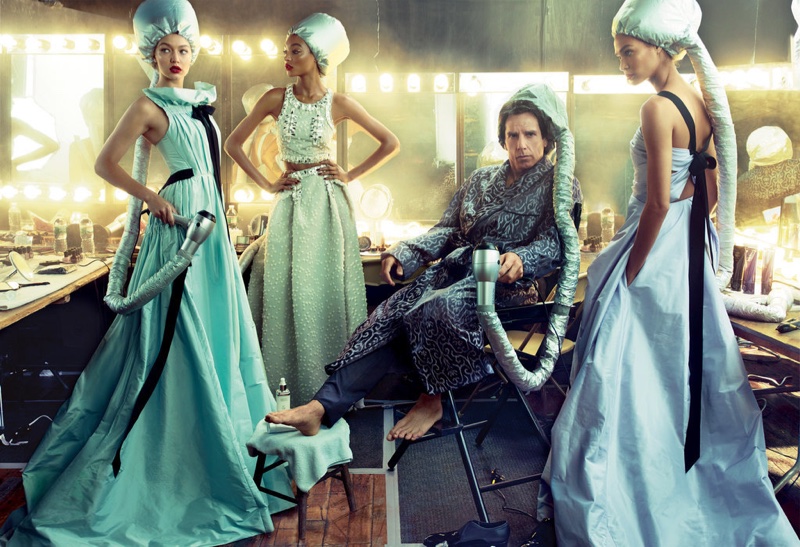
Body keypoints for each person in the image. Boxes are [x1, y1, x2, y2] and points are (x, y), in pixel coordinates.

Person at [0, 1, 293, 544]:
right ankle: (169, 453)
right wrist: (151, 197)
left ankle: (225, 438)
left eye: (183, 49)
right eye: (166, 50)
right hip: (178, 224)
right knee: (176, 333)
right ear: (150, 53)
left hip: (209, 226)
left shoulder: (200, 100)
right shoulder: (147, 104)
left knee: (217, 324)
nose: (176, 58)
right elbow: (105, 163)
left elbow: (212, 167)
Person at [528, 0, 800, 545]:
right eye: (619, 54)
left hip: (656, 245)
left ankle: (634, 477)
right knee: (675, 364)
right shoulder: (700, 102)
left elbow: (653, 204)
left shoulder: (657, 110)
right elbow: (713, 189)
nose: (622, 63)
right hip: (691, 243)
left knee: (627, 364)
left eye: (628, 52)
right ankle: (680, 464)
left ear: (659, 48)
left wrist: (628, 270)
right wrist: (690, 223)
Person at [266, 84, 582, 443]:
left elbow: (555, 244)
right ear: (503, 139)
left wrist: (521, 260)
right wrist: (406, 252)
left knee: (436, 307)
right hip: (457, 271)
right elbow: (447, 229)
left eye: (530, 134)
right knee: (389, 313)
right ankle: (321, 407)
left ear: (547, 139)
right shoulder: (480, 180)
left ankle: (432, 400)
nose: (521, 143)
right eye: (513, 135)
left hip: (507, 288)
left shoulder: (560, 186)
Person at [225, 13, 400, 405]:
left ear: (316, 55)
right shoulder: (275, 98)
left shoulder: (338, 102)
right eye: (285, 50)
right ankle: (287, 391)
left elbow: (390, 142)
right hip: (289, 202)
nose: (286, 57)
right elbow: (233, 144)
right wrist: (267, 182)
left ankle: (333, 394)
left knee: (325, 291)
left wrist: (349, 174)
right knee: (288, 288)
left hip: (327, 202)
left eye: (295, 50)